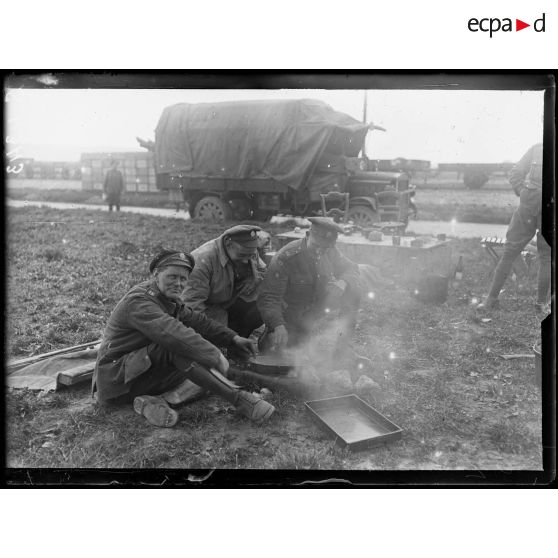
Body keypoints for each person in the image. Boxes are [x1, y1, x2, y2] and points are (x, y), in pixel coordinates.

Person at [92, 249, 275, 427]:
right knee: (181, 350)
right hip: (117, 380)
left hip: (143, 371)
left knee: (205, 374)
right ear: (156, 275)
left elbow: (198, 321)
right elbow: (172, 333)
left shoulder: (168, 299)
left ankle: (154, 401)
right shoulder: (140, 301)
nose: (178, 283)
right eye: (172, 276)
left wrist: (232, 338)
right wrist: (213, 353)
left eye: (183, 279)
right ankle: (241, 401)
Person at [257, 217, 362, 360]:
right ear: (307, 235)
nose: (320, 251)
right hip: (291, 312)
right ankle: (274, 335)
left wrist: (343, 282)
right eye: (316, 245)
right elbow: (269, 297)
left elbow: (352, 268)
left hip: (317, 305)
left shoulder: (330, 250)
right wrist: (277, 325)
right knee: (281, 353)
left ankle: (342, 350)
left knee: (353, 291)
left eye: (325, 248)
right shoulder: (287, 257)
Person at [477, 143, 550, 314]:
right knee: (510, 251)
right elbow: (515, 173)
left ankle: (540, 304)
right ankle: (491, 299)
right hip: (528, 205)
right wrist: (521, 191)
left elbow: (515, 173)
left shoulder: (539, 147)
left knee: (546, 255)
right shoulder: (537, 148)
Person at [183, 225, 268, 341]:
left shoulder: (248, 249)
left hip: (228, 302)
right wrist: (221, 336)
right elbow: (191, 307)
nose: (246, 260)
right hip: (207, 309)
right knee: (219, 344)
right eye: (242, 255)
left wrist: (252, 278)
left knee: (261, 304)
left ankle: (240, 340)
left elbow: (262, 270)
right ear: (228, 243)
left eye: (250, 255)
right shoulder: (202, 261)